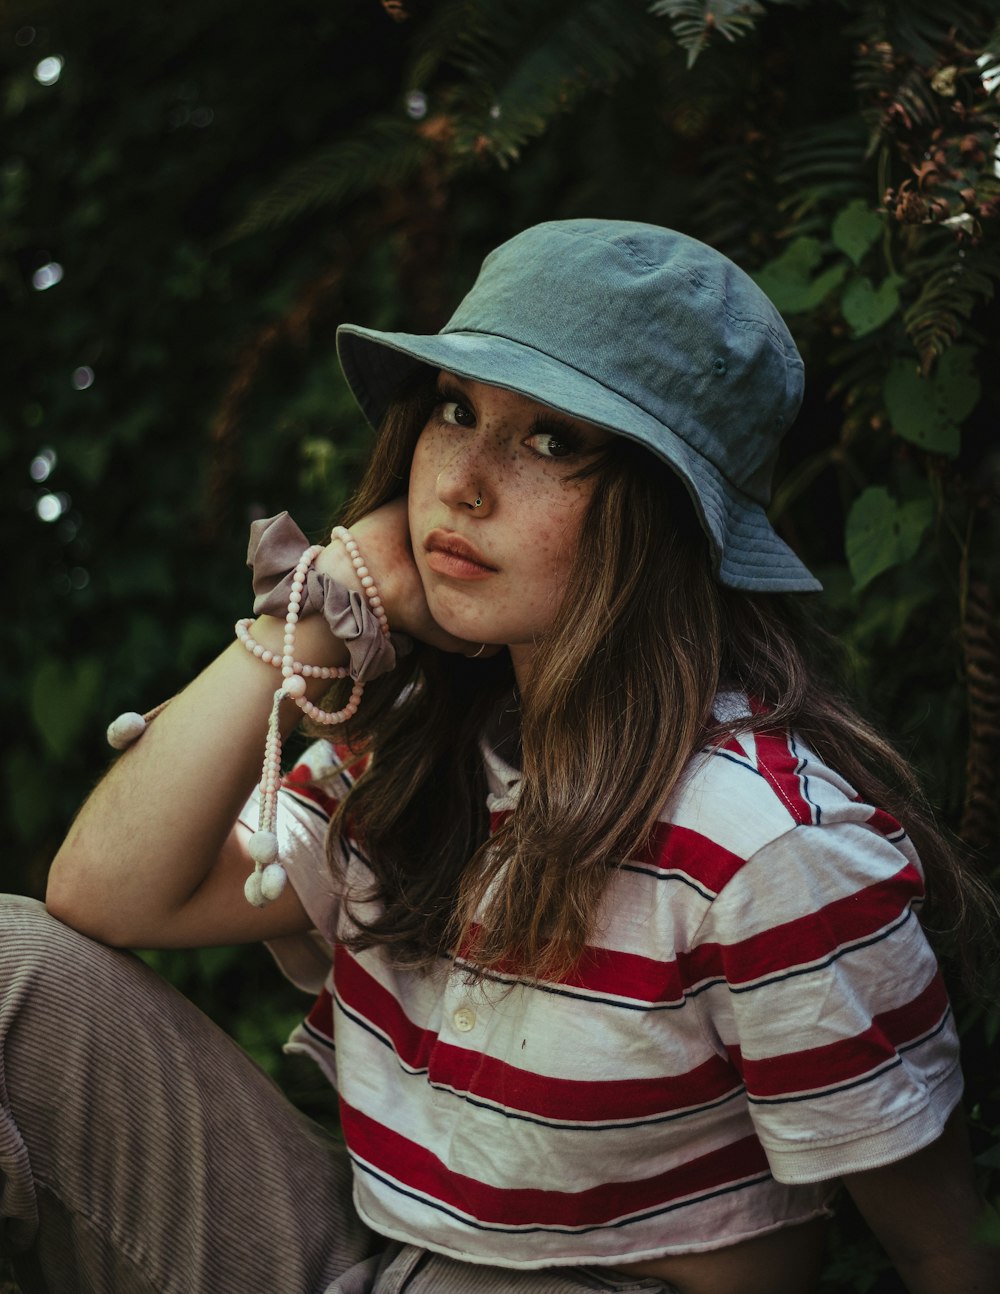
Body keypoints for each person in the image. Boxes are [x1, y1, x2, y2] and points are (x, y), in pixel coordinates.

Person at [5, 219, 996, 1294]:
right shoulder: (430, 759)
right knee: (15, 966)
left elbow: (935, 1245)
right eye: (454, 410)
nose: (462, 482)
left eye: (551, 441)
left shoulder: (765, 849)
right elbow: (104, 897)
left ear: (666, 516)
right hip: (370, 1269)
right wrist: (309, 617)